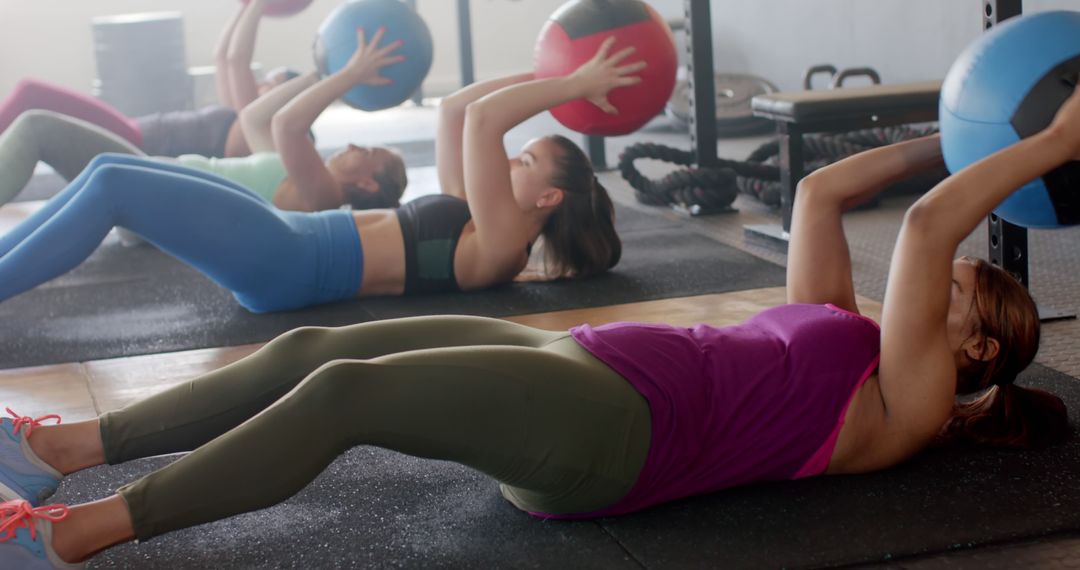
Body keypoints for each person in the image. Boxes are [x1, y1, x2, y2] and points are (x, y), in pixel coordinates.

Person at [0, 59, 1075, 570]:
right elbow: (819, 195)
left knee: (343, 394)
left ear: (976, 345)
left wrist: (1047, 147)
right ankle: (69, 446)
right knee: (316, 345)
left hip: (611, 437)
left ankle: (86, 534)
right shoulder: (841, 328)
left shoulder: (914, 404)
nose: (948, 270)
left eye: (970, 287)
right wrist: (961, 126)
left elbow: (929, 226)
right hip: (585, 364)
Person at [0, 32, 628, 313]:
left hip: (291, 260)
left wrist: (570, 82)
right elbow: (462, 110)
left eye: (525, 160)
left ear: (549, 194)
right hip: (289, 239)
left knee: (112, 186)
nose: (508, 159)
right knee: (110, 166)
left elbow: (488, 122)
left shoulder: (501, 249)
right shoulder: (477, 219)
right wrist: (552, 66)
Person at [0, 0, 407, 211]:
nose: (354, 145)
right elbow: (256, 117)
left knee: (37, 124)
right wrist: (322, 70)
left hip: (153, 193)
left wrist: (347, 75)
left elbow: (287, 125)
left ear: (369, 183)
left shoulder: (323, 196)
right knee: (41, 127)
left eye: (368, 152)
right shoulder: (297, 173)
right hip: (149, 186)